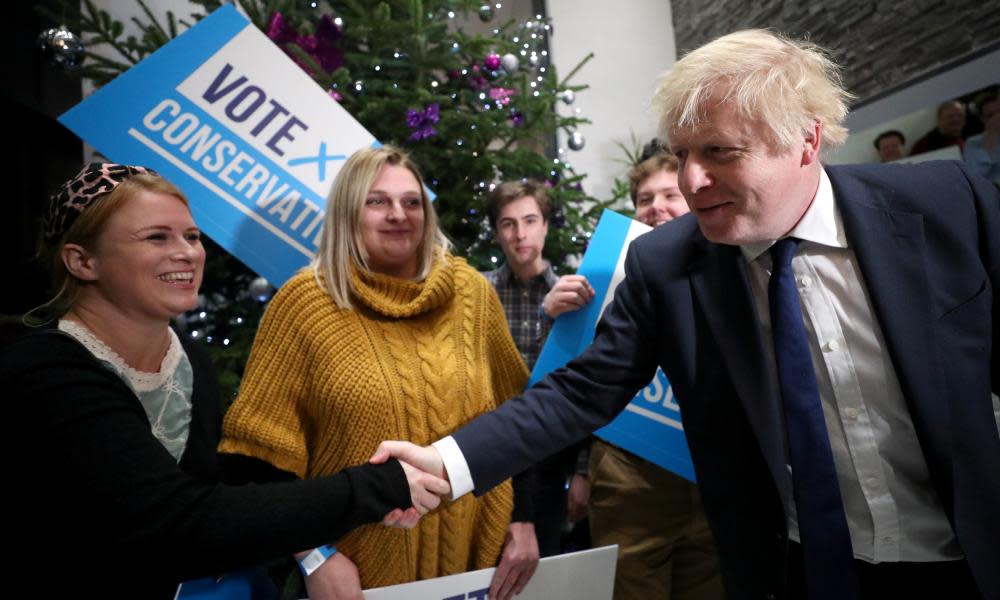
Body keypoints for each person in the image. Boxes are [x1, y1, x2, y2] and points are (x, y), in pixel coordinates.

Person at [374, 29, 1000, 600]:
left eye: (721, 151)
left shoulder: (949, 205)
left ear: (807, 139)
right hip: (798, 574)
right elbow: (581, 391)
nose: (693, 179)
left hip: (970, 556)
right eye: (681, 153)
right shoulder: (667, 265)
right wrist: (447, 462)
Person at [1, 163, 448, 599]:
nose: (188, 252)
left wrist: (318, 550)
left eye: (192, 236)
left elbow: (227, 485)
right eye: (157, 237)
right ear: (82, 261)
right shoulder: (46, 373)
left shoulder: (188, 360)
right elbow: (182, 523)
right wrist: (374, 488)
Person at [219, 146, 537, 600]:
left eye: (411, 202)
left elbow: (521, 418)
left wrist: (523, 519)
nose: (398, 215)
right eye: (377, 202)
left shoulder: (471, 294)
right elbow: (252, 461)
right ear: (349, 212)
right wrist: (314, 557)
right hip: (355, 576)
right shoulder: (306, 303)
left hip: (481, 567)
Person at [579, 149, 723, 600]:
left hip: (710, 475)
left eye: (669, 194)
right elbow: (577, 379)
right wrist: (561, 312)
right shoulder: (604, 275)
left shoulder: (732, 264)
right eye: (645, 198)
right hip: (630, 477)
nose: (656, 206)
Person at [483, 179, 594, 558]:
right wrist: (544, 315)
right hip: (493, 453)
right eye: (508, 224)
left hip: (552, 457)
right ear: (497, 232)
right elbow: (499, 375)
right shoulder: (479, 292)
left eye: (530, 221)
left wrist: (582, 470)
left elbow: (587, 386)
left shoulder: (576, 293)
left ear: (546, 225)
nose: (520, 234)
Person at [963, 93, 1000, 183]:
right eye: (991, 115)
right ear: (983, 119)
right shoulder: (973, 143)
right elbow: (976, 176)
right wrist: (992, 136)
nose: (998, 117)